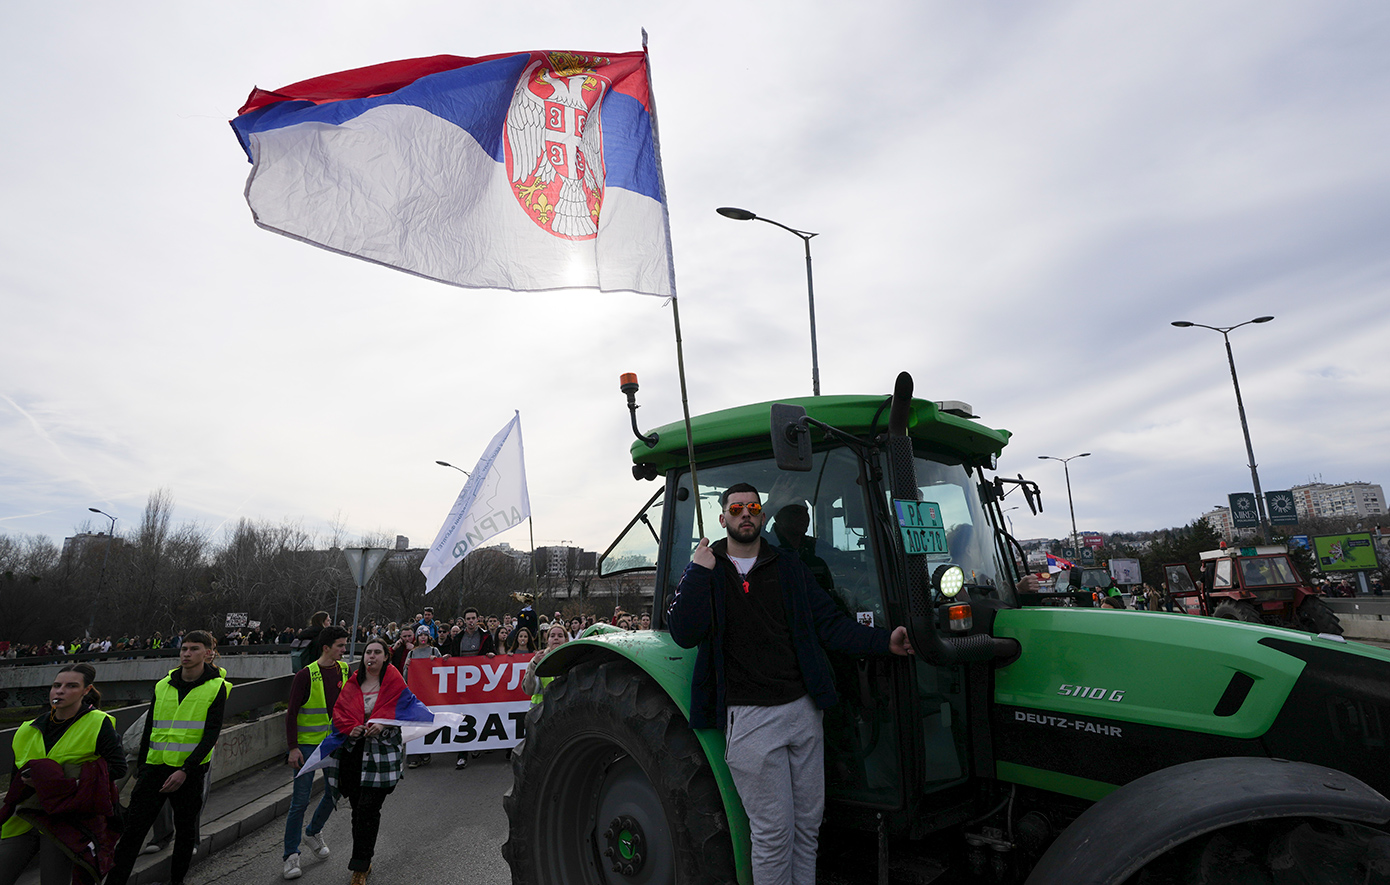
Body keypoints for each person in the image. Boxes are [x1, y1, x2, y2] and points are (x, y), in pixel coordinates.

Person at [667, 483, 912, 885]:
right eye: (737, 509)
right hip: (749, 719)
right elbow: (684, 632)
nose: (745, 514)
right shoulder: (707, 572)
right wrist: (697, 569)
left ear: (762, 517)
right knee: (773, 833)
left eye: (752, 508)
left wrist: (883, 641)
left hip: (802, 712)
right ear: (723, 518)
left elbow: (829, 623)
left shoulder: (788, 566)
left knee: (807, 828)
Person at [106, 631, 228, 885]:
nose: (186, 654)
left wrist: (186, 769)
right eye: (184, 649)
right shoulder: (163, 685)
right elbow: (150, 727)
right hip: (154, 769)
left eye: (194, 649)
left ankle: (176, 881)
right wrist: (142, 767)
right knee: (132, 835)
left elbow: (211, 734)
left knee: (185, 834)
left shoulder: (217, 687)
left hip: (189, 773)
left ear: (207, 653)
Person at [0, 663, 125, 885]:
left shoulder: (98, 723)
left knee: (54, 880)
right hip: (26, 813)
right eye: (56, 685)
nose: (60, 691)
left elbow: (118, 768)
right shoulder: (27, 728)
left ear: (86, 690)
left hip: (66, 818)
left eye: (71, 686)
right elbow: (15, 779)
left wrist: (66, 783)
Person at [330, 637, 404, 885]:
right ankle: (364, 858)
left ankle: (360, 867)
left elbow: (404, 709)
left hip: (381, 755)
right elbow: (340, 711)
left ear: (385, 657)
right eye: (368, 652)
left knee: (367, 811)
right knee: (357, 811)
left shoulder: (394, 681)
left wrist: (382, 724)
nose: (371, 656)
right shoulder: (354, 682)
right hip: (354, 752)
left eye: (376, 652)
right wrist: (350, 727)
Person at [281, 626, 350, 879]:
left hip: (334, 742)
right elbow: (291, 714)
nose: (345, 650)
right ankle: (291, 855)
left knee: (335, 792)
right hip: (307, 746)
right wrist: (293, 748)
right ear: (326, 648)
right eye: (341, 646)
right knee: (299, 801)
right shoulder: (305, 675)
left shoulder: (343, 669)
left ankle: (313, 832)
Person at [449, 609, 495, 770]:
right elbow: (453, 656)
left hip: (480, 683)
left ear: (477, 619)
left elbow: (494, 655)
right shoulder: (458, 638)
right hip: (462, 683)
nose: (470, 621)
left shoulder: (485, 636)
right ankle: (462, 754)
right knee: (463, 717)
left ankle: (477, 745)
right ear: (464, 620)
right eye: (468, 618)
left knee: (480, 713)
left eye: (473, 618)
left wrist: (490, 655)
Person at [404, 629, 441, 770]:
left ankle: (425, 752)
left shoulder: (434, 651)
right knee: (414, 722)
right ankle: (413, 755)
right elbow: (405, 675)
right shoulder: (412, 653)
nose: (423, 637)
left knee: (427, 722)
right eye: (420, 635)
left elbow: (442, 669)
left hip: (430, 692)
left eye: (425, 635)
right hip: (415, 692)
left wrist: (435, 661)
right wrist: (407, 666)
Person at [523, 624, 568, 704]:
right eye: (552, 636)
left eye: (560, 636)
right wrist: (534, 665)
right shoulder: (536, 660)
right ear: (548, 640)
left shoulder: (572, 659)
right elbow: (529, 690)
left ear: (565, 639)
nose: (556, 638)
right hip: (542, 712)